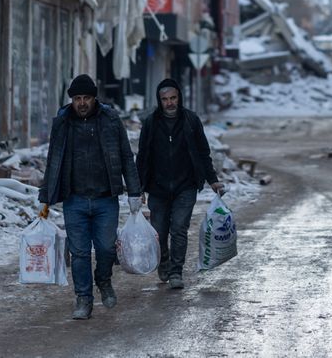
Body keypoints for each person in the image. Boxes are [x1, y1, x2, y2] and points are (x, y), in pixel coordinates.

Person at [38, 74, 142, 320]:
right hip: (74, 199)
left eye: (86, 98)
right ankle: (83, 298)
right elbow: (53, 159)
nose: (81, 103)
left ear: (95, 98)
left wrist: (135, 191)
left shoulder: (111, 119)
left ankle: (103, 279)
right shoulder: (63, 122)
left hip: (106, 198)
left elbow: (126, 156)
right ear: (71, 100)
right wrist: (45, 196)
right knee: (80, 253)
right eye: (77, 98)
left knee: (106, 248)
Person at [137, 78, 223, 290]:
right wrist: (138, 187)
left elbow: (203, 152)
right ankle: (164, 262)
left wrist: (212, 180)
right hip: (158, 188)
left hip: (186, 186)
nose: (169, 103)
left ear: (179, 97)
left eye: (173, 98)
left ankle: (176, 271)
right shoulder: (150, 123)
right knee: (160, 230)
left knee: (179, 229)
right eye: (165, 99)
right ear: (159, 100)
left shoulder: (191, 121)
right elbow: (143, 156)